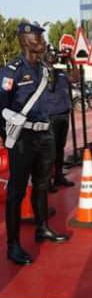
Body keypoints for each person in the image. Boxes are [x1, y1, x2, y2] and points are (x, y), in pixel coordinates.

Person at [0, 23, 69, 266]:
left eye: (41, 36)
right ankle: (13, 245)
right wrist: (8, 138)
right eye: (37, 36)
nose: (41, 40)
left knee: (42, 185)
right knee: (16, 193)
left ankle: (42, 228)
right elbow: (1, 107)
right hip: (22, 139)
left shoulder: (45, 69)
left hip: (44, 134)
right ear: (25, 40)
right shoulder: (12, 71)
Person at [45, 45, 75, 192]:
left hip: (64, 115)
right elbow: (49, 86)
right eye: (50, 55)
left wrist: (72, 61)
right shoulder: (43, 72)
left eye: (54, 55)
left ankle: (58, 176)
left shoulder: (60, 72)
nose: (54, 57)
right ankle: (47, 181)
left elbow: (75, 78)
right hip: (51, 116)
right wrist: (48, 65)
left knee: (59, 149)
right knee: (49, 151)